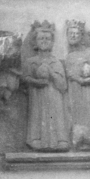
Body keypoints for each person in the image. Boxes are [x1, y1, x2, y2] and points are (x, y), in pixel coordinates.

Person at [21, 22, 69, 151]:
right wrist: (36, 82)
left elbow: (63, 85)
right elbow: (25, 79)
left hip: (54, 96)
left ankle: (60, 140)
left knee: (56, 115)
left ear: (52, 42)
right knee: (37, 114)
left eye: (47, 39)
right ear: (35, 42)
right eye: (41, 38)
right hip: (36, 95)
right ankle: (35, 139)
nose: (44, 41)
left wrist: (51, 73)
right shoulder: (30, 62)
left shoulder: (56, 62)